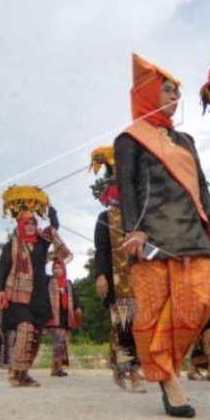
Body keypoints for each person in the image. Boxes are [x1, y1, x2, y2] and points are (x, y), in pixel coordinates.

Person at [114, 54, 210, 418]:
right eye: (167, 90)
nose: (175, 97)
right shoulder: (129, 139)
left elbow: (203, 186)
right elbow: (127, 188)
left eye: (178, 92)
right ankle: (169, 379)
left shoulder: (186, 140)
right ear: (147, 93)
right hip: (153, 235)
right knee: (153, 311)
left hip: (193, 231)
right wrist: (134, 229)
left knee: (200, 300)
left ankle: (165, 365)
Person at [0, 187, 70, 388]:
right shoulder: (11, 245)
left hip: (38, 294)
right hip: (18, 295)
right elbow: (2, 269)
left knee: (35, 333)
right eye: (26, 223)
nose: (30, 226)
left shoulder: (42, 243)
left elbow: (54, 226)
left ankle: (24, 373)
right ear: (20, 224)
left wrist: (49, 206)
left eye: (33, 222)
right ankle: (15, 371)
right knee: (25, 328)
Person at [91, 146, 146, 392]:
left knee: (135, 324)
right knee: (124, 325)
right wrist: (101, 275)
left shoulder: (139, 219)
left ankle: (121, 365)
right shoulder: (104, 219)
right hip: (117, 280)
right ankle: (132, 372)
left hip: (143, 278)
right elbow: (101, 250)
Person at [46, 259, 82, 377]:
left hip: (67, 315)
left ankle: (56, 368)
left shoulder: (68, 283)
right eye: (54, 268)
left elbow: (75, 297)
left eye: (59, 268)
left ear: (64, 269)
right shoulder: (49, 281)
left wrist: (78, 307)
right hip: (54, 316)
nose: (57, 270)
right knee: (59, 341)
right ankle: (57, 368)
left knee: (64, 343)